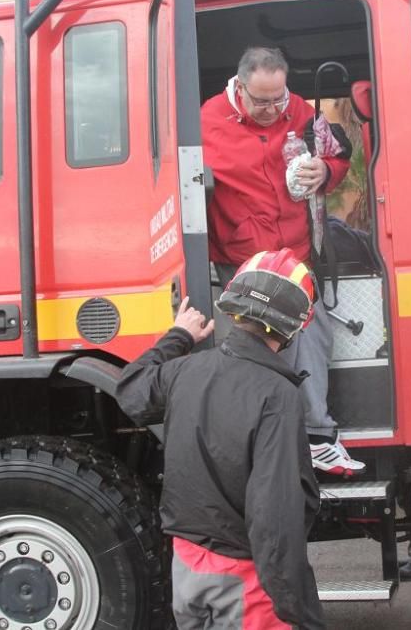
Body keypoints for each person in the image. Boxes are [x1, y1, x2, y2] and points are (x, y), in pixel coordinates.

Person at [116, 249, 326, 629]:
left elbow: (130, 391)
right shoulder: (278, 395)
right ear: (298, 323)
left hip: (188, 569)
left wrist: (179, 336)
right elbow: (273, 517)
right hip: (245, 582)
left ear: (233, 303)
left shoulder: (184, 370)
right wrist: (301, 612)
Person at [201, 46, 364, 475]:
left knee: (310, 332)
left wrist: (326, 172)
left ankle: (314, 438)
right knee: (258, 346)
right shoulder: (206, 120)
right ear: (240, 87)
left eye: (280, 97)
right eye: (262, 100)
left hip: (295, 251)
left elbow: (338, 153)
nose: (274, 109)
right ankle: (262, 440)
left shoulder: (301, 113)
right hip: (242, 257)